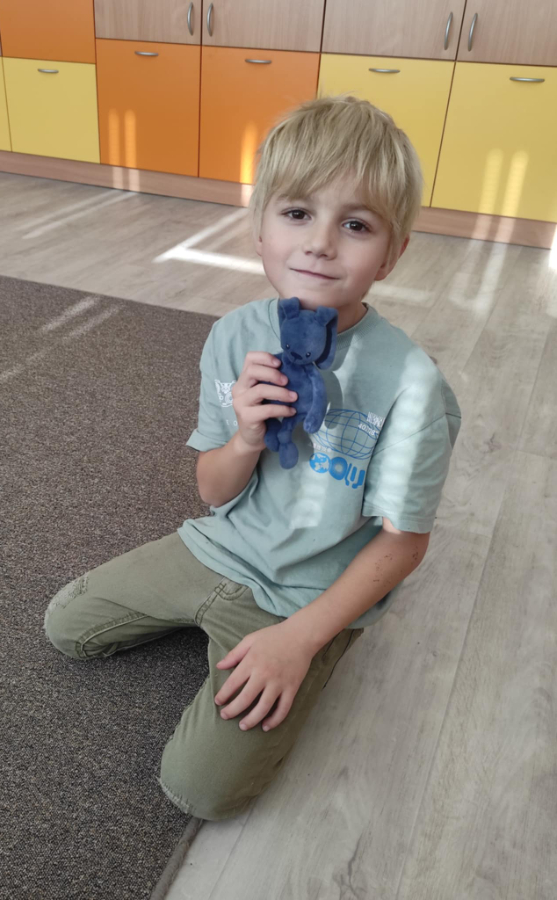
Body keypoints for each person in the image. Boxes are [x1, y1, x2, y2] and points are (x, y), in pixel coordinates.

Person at [43, 94, 462, 822]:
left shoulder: (413, 386)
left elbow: (404, 542)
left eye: (355, 225)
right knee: (68, 626)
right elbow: (212, 491)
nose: (320, 244)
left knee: (200, 789)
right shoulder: (234, 336)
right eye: (297, 212)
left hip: (307, 592)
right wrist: (241, 436)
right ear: (260, 228)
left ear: (391, 254)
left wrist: (300, 640)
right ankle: (222, 620)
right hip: (221, 545)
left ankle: (322, 647)